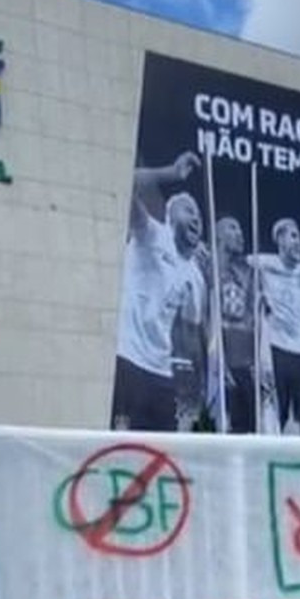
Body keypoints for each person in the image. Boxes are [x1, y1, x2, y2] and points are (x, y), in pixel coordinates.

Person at [110, 151, 207, 432]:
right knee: (122, 451)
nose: (196, 217)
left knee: (161, 457)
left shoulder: (195, 275)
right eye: (188, 210)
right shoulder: (151, 233)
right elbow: (125, 185)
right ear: (169, 215)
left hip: (162, 373)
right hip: (128, 359)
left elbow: (190, 340)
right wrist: (171, 174)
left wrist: (192, 399)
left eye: (199, 214)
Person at [249, 218, 300, 434]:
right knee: (276, 413)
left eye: (299, 237)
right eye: (293, 236)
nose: (298, 242)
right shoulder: (264, 264)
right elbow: (247, 262)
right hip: (276, 350)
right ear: (280, 239)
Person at [213, 215, 257, 433]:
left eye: (240, 229)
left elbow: (248, 320)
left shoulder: (243, 276)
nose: (240, 234)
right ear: (218, 234)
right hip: (218, 362)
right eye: (233, 228)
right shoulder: (206, 268)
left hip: (244, 364)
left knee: (247, 426)